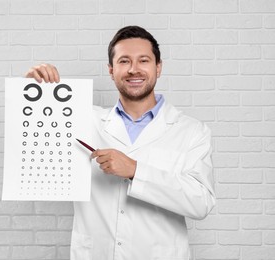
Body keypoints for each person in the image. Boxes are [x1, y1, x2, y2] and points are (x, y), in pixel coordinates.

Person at [25, 26, 216, 260]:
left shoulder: (191, 131)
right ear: (111, 70)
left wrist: (136, 170)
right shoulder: (81, 119)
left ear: (158, 67)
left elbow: (201, 203)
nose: (134, 69)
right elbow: (33, 136)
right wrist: (33, 89)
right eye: (124, 61)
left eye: (143, 60)